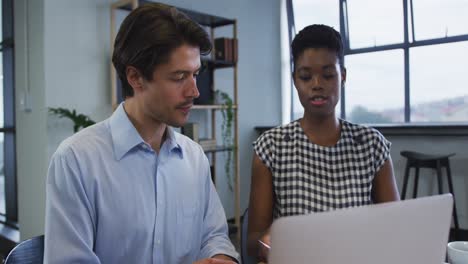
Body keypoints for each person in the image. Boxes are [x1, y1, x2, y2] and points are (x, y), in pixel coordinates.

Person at [44, 3, 238, 264]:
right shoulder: (76, 161)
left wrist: (221, 257)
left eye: (195, 74)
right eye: (180, 77)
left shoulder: (194, 157)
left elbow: (214, 235)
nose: (194, 91)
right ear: (135, 77)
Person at [247, 24, 400, 262]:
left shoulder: (371, 145)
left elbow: (394, 228)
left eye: (328, 75)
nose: (317, 84)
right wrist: (266, 242)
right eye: (306, 76)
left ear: (344, 76)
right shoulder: (272, 147)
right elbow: (253, 241)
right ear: (294, 80)